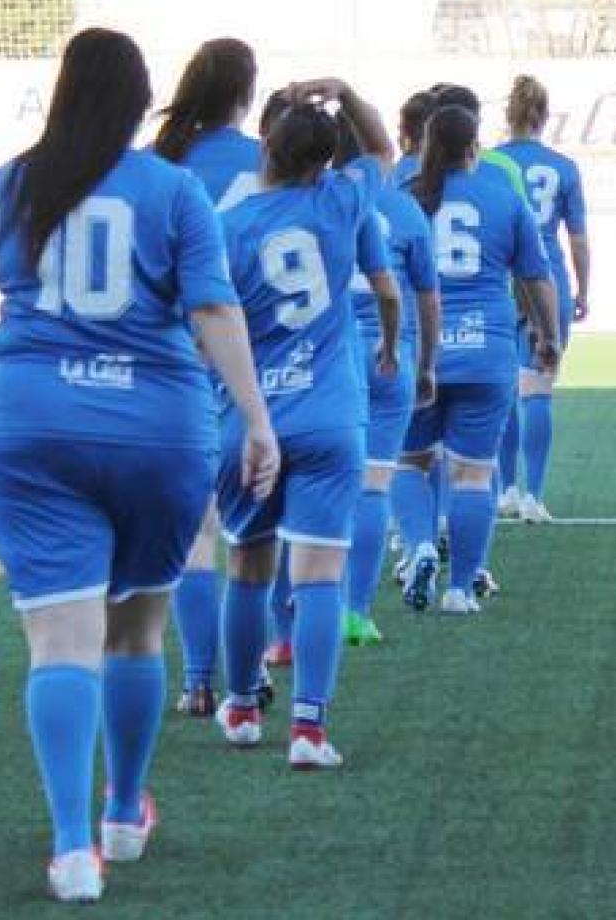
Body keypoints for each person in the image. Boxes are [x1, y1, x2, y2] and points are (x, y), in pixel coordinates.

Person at [0, 28, 277, 903]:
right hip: (158, 429)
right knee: (134, 632)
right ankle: (125, 814)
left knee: (60, 640)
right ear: (136, 99)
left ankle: (70, 849)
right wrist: (258, 420)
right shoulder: (172, 189)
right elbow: (212, 309)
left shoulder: (13, 180)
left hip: (29, 424)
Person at [212, 79, 399, 771]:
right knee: (321, 575)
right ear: (323, 163)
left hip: (249, 418)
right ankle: (309, 729)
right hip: (327, 414)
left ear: (265, 145)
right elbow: (382, 147)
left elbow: (203, 324)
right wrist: (348, 91)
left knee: (248, 567)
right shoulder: (341, 201)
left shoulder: (225, 228)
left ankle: (239, 706)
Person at [393, 105, 560, 614]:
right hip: (487, 350)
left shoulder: (405, 200)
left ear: (425, 145)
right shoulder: (503, 200)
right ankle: (461, 589)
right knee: (472, 473)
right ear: (474, 147)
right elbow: (536, 276)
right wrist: (548, 336)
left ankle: (421, 543)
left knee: (410, 463)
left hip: (423, 349)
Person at [150, 37, 260, 718]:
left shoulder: (163, 163)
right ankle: (257, 668)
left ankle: (197, 679)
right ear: (247, 94)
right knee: (259, 533)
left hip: (178, 359)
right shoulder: (266, 161)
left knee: (197, 531)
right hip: (259, 358)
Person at [337, 118, 441, 646]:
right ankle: (356, 611)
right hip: (389, 359)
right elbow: (427, 296)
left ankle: (293, 617)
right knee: (375, 485)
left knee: (310, 485)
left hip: (326, 362)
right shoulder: (404, 208)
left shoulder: (315, 201)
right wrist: (424, 364)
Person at [495, 75, 592, 523]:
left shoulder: (489, 162)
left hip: (498, 278)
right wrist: (584, 289)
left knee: (504, 386)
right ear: (544, 116)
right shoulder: (563, 167)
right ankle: (534, 493)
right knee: (538, 384)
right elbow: (578, 239)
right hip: (546, 276)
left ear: (508, 114)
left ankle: (506, 488)